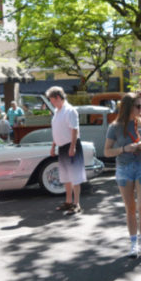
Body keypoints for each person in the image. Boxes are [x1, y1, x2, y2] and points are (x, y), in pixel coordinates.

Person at [103, 93, 141, 260]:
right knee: (130, 209)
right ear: (127, 107)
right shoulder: (115, 126)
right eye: (138, 106)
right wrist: (125, 149)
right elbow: (106, 151)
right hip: (124, 168)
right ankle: (134, 244)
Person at [47, 86, 86, 216]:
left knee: (75, 176)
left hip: (70, 145)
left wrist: (72, 146)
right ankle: (68, 202)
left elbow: (74, 129)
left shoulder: (70, 110)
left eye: (52, 100)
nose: (51, 102)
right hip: (62, 147)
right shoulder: (58, 111)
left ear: (58, 97)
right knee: (65, 177)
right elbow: (57, 131)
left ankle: (77, 204)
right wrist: (53, 146)